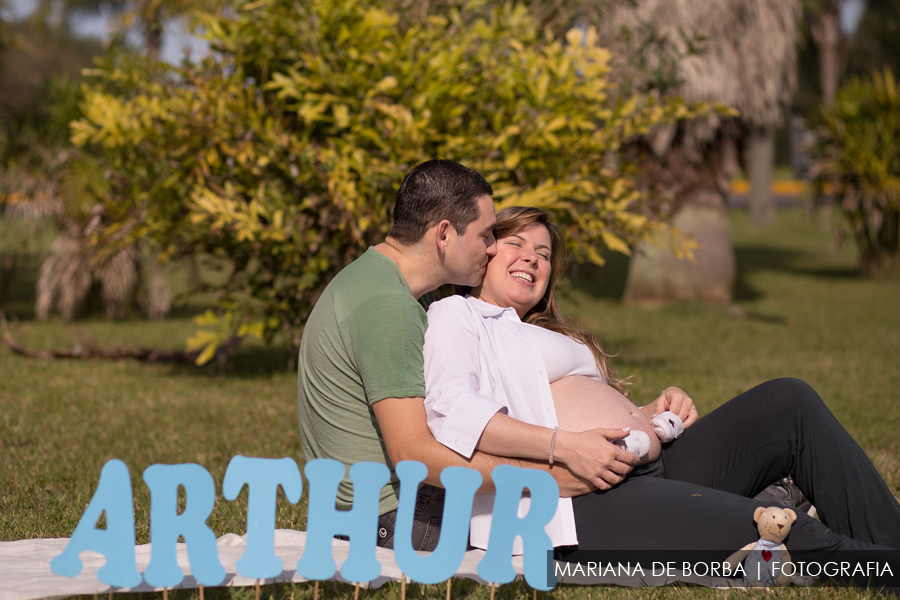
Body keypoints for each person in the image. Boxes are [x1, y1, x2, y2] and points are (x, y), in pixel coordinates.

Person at [423, 206, 900, 574]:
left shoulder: (546, 332)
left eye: (544, 254)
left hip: (658, 463)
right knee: (779, 530)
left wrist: (649, 410)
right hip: (586, 498)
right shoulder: (459, 316)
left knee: (789, 401)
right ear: (484, 252)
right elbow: (453, 409)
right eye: (516, 244)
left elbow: (586, 407)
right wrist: (561, 448)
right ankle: (883, 570)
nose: (532, 257)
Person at [296, 161, 619, 552]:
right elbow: (414, 455)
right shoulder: (387, 306)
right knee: (603, 504)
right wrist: (546, 476)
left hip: (392, 507)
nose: (493, 247)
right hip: (395, 519)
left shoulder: (393, 287)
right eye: (485, 235)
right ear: (444, 234)